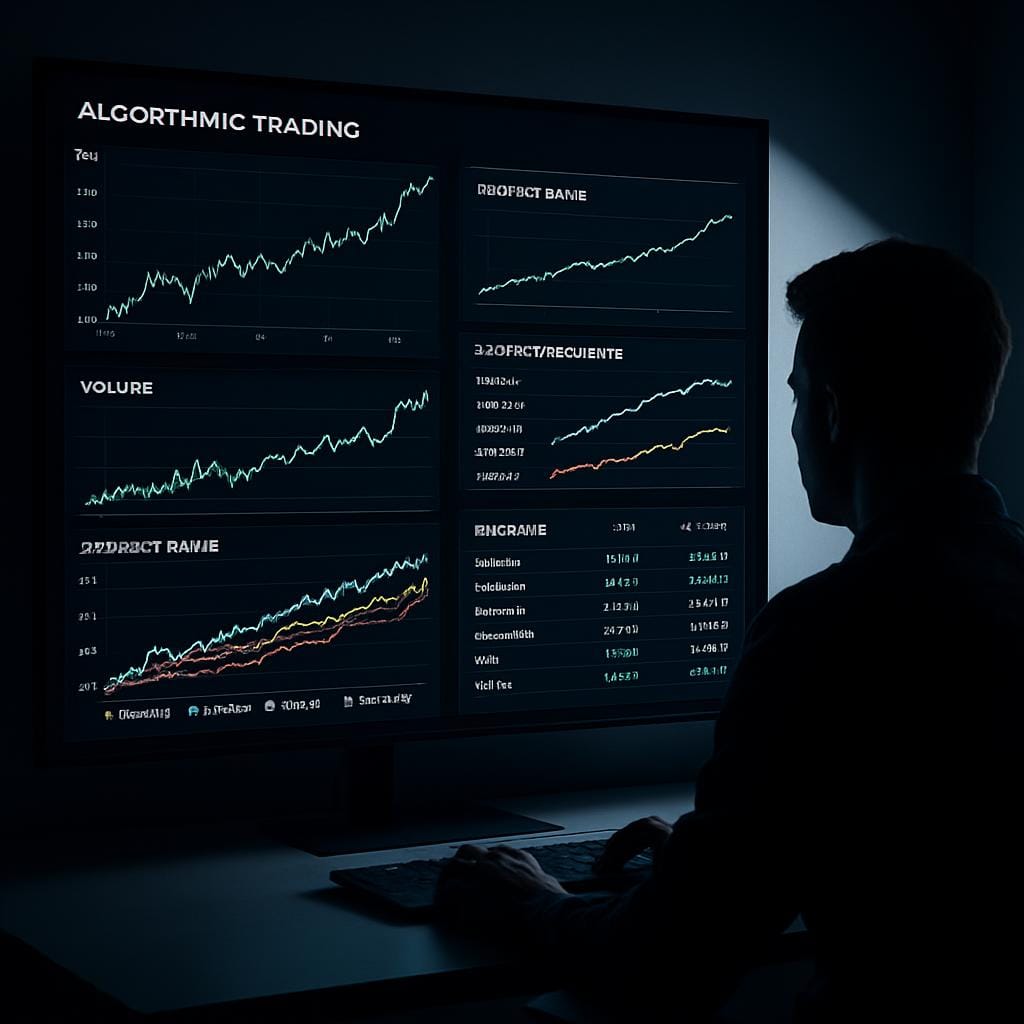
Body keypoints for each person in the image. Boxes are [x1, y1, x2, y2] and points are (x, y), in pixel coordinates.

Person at [436, 239, 1023, 1022]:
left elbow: (665, 965)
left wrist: (536, 902)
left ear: (832, 410)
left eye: (796, 393)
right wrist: (716, 852)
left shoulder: (825, 629)